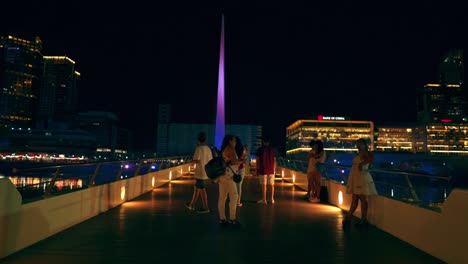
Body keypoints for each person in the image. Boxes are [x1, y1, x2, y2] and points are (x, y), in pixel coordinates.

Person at [343, 138, 378, 227]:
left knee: (362, 198)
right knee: (355, 198)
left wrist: (361, 164)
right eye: (357, 143)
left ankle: (361, 219)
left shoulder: (365, 152)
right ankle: (350, 217)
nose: (358, 145)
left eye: (360, 144)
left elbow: (371, 158)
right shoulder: (359, 153)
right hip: (356, 176)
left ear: (364, 145)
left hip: (361, 177)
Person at [185, 132, 212, 213]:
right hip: (206, 172)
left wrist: (191, 161)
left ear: (198, 140)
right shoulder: (208, 149)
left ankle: (206, 207)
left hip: (200, 172)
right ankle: (191, 205)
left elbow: (196, 160)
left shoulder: (199, 148)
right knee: (197, 188)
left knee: (202, 189)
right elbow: (210, 160)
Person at [218, 134, 241, 226]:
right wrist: (240, 161)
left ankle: (222, 218)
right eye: (234, 141)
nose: (235, 142)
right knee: (234, 196)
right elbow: (234, 161)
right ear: (230, 141)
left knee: (222, 198)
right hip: (229, 176)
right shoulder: (230, 149)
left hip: (223, 175)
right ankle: (232, 218)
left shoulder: (224, 149)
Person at [256, 136, 277, 204]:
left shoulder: (260, 149)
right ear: (269, 142)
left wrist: (257, 169)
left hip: (263, 169)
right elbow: (274, 160)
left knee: (263, 185)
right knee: (271, 185)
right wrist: (274, 169)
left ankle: (264, 200)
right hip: (271, 169)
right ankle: (271, 199)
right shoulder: (273, 150)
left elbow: (258, 160)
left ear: (263, 142)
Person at [235, 136, 247, 207]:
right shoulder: (243, 149)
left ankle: (234, 199)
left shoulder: (233, 149)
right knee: (239, 185)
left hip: (235, 168)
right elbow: (244, 158)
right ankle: (238, 201)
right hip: (241, 167)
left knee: (235, 184)